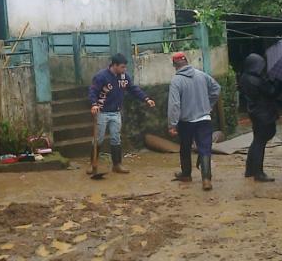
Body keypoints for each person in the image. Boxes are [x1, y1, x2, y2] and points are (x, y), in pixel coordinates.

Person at [88, 53, 155, 174]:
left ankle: (117, 164)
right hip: (102, 112)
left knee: (116, 138)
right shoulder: (101, 76)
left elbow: (133, 88)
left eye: (125, 67)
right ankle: (93, 164)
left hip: (116, 112)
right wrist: (94, 104)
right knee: (98, 139)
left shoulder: (124, 77)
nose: (124, 69)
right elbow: (93, 91)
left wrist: (146, 99)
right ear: (114, 65)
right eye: (122, 67)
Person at [167, 52, 221, 190]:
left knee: (185, 147)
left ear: (174, 65)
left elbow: (174, 105)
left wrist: (172, 124)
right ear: (187, 61)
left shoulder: (176, 80)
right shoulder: (201, 75)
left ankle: (186, 174)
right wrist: (209, 105)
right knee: (205, 148)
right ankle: (206, 179)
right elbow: (216, 89)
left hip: (186, 121)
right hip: (204, 119)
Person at [238, 53, 282, 182]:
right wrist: (278, 82)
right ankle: (259, 173)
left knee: (257, 141)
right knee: (260, 142)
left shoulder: (245, 77)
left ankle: (250, 170)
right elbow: (272, 92)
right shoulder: (255, 80)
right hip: (264, 113)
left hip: (255, 112)